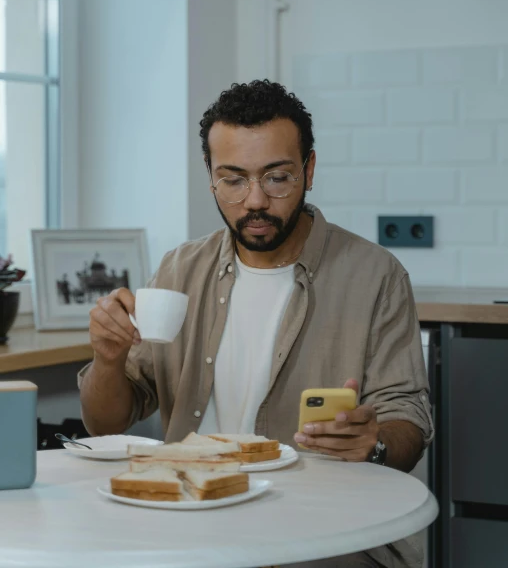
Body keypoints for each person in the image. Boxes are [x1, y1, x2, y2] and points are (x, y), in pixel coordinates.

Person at [79, 80, 433, 568]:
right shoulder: (179, 269)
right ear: (211, 178)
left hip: (324, 528)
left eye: (276, 178)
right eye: (233, 179)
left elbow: (408, 421)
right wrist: (108, 359)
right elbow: (106, 422)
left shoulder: (376, 275)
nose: (255, 202)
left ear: (308, 170)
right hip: (191, 522)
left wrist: (373, 443)